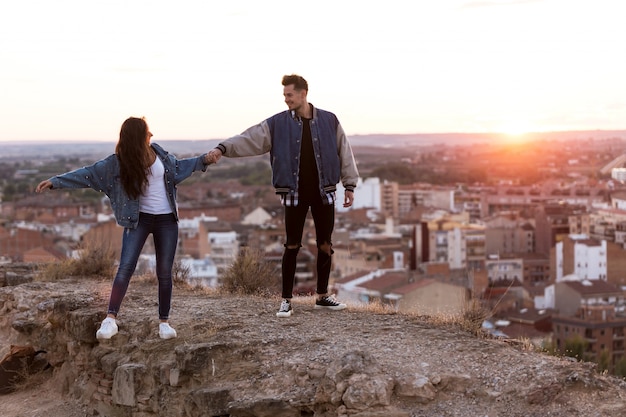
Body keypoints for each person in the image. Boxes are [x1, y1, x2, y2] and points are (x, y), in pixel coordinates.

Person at [35, 117, 213, 339]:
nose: (152, 135)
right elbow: (87, 174)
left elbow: (181, 167)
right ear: (138, 136)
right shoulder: (116, 165)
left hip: (167, 220)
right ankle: (110, 320)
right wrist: (56, 181)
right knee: (125, 268)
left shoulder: (161, 155)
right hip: (138, 220)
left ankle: (164, 323)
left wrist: (204, 159)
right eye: (148, 131)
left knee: (165, 272)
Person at [206, 74, 359, 318]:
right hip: (294, 192)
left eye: (289, 95)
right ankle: (286, 300)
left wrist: (349, 185)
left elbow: (344, 150)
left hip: (324, 192)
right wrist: (223, 148)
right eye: (284, 95)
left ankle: (322, 296)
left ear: (303, 93)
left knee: (325, 245)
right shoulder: (277, 123)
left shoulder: (330, 120)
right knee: (291, 245)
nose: (286, 99)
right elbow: (249, 138)